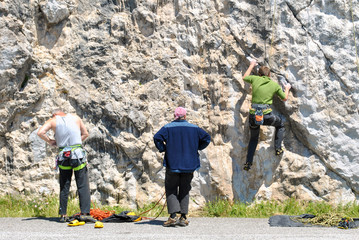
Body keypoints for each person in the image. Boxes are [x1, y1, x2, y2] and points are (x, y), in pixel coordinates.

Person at [153, 107, 211, 227]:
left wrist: (163, 149)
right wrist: (197, 147)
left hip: (172, 164)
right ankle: (183, 217)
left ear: (175, 116)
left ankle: (173, 217)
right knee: (185, 189)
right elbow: (207, 138)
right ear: (185, 116)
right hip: (189, 165)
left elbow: (157, 137)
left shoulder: (168, 127)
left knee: (171, 189)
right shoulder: (194, 128)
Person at [37, 109, 94, 222]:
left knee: (64, 185)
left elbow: (40, 132)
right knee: (82, 184)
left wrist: (51, 141)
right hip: (78, 155)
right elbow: (85, 134)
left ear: (54, 114)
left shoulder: (53, 120)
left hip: (64, 156)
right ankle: (85, 213)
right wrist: (76, 142)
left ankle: (63, 215)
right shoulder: (76, 117)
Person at [242, 60, 291, 171]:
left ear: (259, 74)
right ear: (269, 75)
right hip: (267, 117)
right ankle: (278, 148)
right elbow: (284, 98)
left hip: (254, 116)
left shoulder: (255, 79)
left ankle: (248, 163)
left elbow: (245, 77)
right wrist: (287, 88)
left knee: (253, 139)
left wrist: (251, 65)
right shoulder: (274, 85)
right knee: (280, 125)